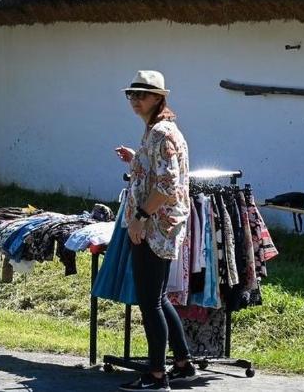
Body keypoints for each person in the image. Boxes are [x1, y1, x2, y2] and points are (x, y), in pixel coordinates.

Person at [115, 70, 196, 392]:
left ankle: (156, 375)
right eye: (131, 95)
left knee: (150, 301)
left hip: (156, 224)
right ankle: (182, 362)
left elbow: (167, 185)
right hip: (160, 222)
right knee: (158, 298)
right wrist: (137, 159)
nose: (135, 100)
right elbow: (160, 172)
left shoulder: (161, 132)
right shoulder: (158, 131)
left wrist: (140, 216)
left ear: (159, 97)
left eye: (142, 95)